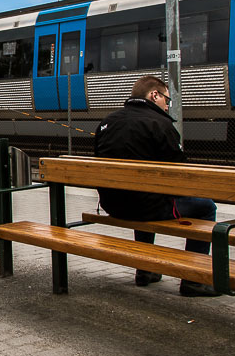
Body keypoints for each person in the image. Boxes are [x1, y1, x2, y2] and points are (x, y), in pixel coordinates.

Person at [94, 75, 220, 297]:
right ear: (154, 95)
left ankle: (145, 269)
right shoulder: (160, 124)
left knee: (140, 195)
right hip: (147, 208)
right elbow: (181, 171)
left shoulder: (106, 122)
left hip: (113, 205)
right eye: (166, 100)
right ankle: (193, 279)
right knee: (206, 207)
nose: (166, 105)